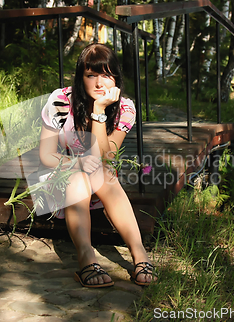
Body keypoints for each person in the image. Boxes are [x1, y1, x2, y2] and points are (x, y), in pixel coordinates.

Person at [38, 43, 155, 288]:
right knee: (79, 177)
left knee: (104, 173)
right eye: (91, 75)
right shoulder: (60, 101)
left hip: (100, 178)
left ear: (116, 78)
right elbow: (46, 155)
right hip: (63, 179)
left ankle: (139, 254)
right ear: (81, 77)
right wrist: (76, 162)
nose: (99, 83)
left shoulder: (124, 108)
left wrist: (99, 111)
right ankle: (86, 257)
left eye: (106, 75)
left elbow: (105, 157)